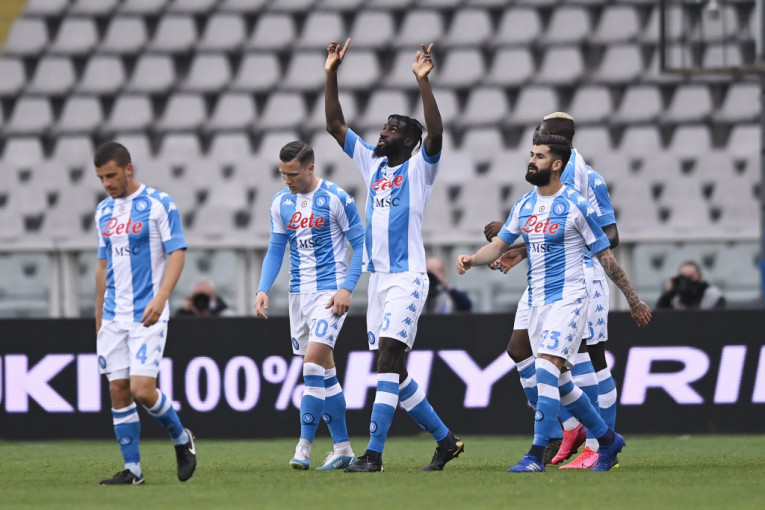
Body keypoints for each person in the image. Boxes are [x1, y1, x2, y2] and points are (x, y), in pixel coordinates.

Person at [457, 134, 652, 473]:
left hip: (570, 299)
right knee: (561, 382)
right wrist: (472, 259)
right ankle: (608, 440)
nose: (531, 161)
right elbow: (500, 245)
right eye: (531, 154)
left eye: (540, 156)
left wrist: (633, 300)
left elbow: (606, 257)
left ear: (557, 164)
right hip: (537, 301)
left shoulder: (576, 205)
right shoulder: (525, 204)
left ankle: (535, 455)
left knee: (546, 369)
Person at [325, 38, 464, 472]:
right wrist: (331, 73)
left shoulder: (420, 168)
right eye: (383, 127)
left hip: (408, 278)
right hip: (379, 281)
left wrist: (423, 82)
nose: (381, 133)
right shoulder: (373, 165)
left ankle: (373, 456)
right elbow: (335, 125)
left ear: (407, 140)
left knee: (387, 360)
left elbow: (436, 133)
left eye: (390, 129)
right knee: (394, 372)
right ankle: (446, 441)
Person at [486, 113, 621, 469]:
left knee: (590, 357)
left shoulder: (583, 178)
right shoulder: (546, 182)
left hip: (580, 275)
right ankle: (573, 427)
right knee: (521, 349)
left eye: (541, 135)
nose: (535, 142)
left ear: (560, 139)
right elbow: (546, 228)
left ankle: (597, 444)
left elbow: (609, 235)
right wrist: (519, 247)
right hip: (543, 279)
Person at [254, 141, 364, 470]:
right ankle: (343, 449)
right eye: (283, 174)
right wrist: (262, 288)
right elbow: (276, 249)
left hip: (329, 295)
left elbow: (361, 245)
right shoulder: (280, 203)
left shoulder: (336, 198)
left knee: (312, 366)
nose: (287, 180)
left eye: (293, 174)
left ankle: (303, 447)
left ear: (311, 168)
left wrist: (347, 288)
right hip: (298, 296)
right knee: (326, 374)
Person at [93, 142, 196, 485]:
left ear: (128, 169)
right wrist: (99, 317)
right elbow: (103, 266)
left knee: (142, 389)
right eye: (101, 178)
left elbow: (177, 252)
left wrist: (161, 297)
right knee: (118, 390)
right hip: (113, 316)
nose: (107, 183)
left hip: (147, 313)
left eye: (111, 175)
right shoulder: (103, 212)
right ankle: (133, 470)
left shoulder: (158, 204)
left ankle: (181, 438)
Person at [657, 261, 726, 310]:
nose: (687, 281)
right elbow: (660, 314)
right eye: (683, 277)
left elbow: (719, 316)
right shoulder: (676, 296)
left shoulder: (712, 294)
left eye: (690, 277)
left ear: (699, 277)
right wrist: (668, 294)